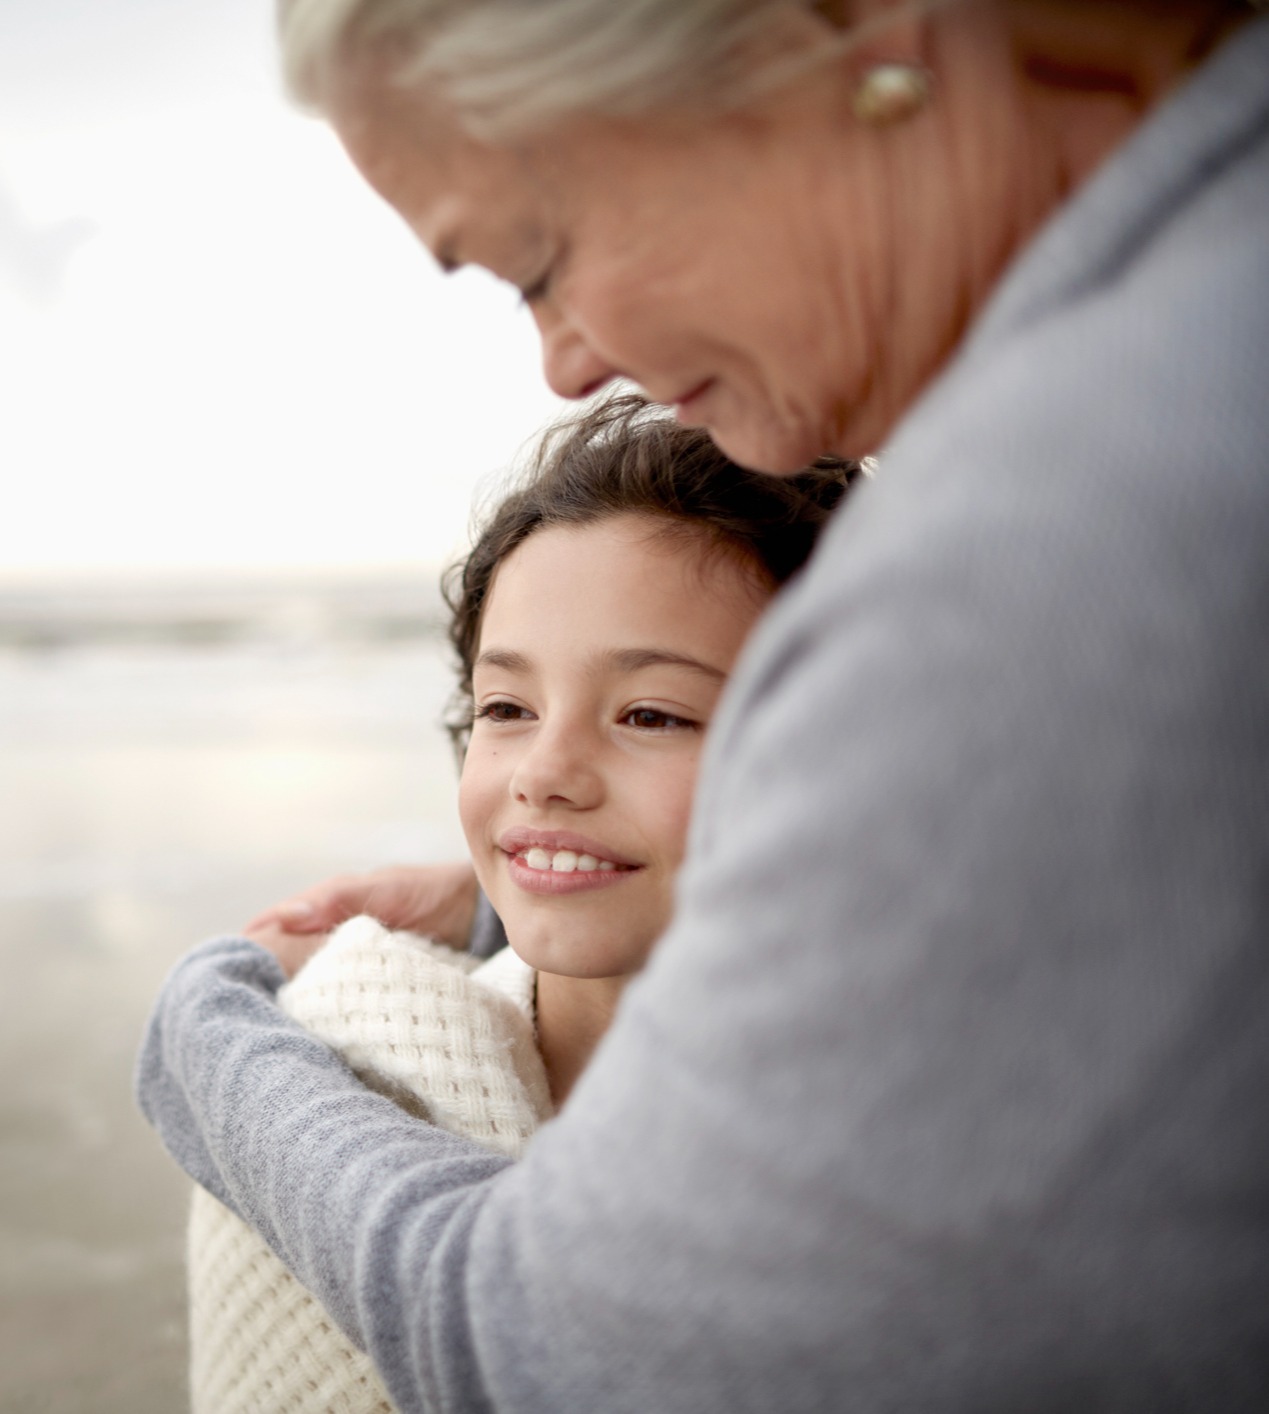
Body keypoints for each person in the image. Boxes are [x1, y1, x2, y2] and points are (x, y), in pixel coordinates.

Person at [138, 2, 1269, 1410]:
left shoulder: (1070, 529)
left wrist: (208, 1035)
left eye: (541, 257)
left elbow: (567, 1351)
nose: (564, 357)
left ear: (843, 28)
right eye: (501, 706)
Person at [184, 394, 854, 1413]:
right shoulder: (355, 1054)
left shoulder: (932, 1146)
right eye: (505, 707)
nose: (543, 774)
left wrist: (199, 1013)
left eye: (651, 713)